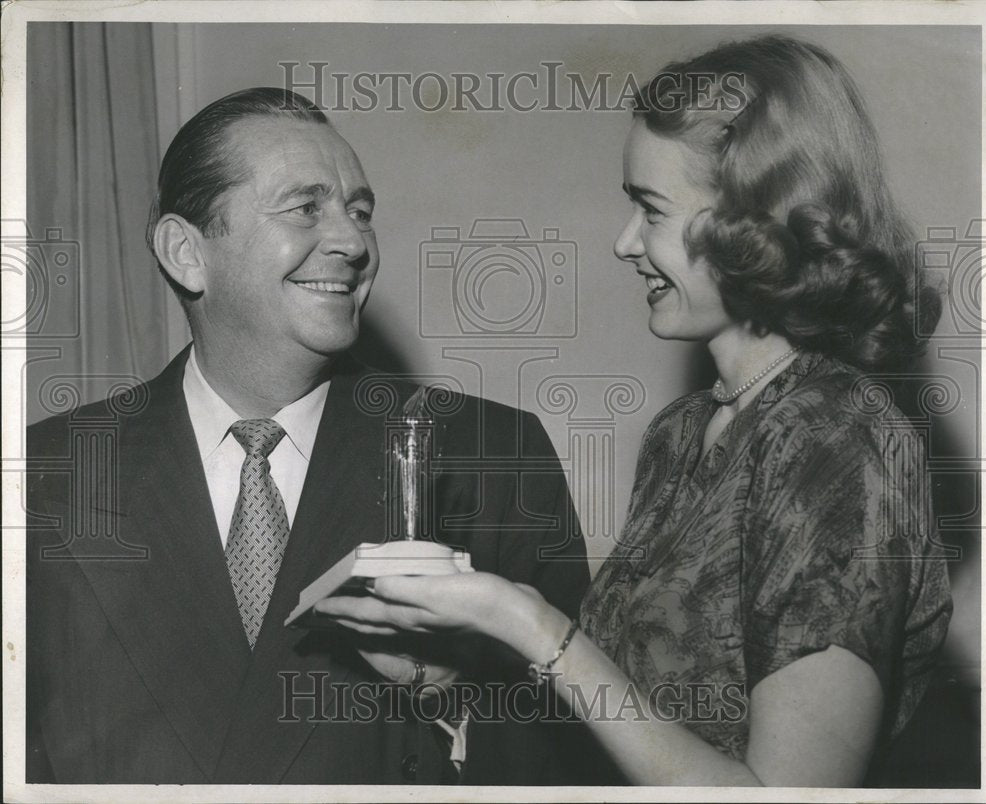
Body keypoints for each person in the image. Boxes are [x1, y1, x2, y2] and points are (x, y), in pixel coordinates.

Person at [316, 35, 954, 787]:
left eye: (650, 210)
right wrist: (442, 680)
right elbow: (632, 726)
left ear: (751, 226)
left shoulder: (840, 437)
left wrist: (529, 621)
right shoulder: (683, 433)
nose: (624, 244)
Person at [25, 87, 591, 784]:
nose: (354, 243)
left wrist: (450, 695)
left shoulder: (492, 458)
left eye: (360, 211)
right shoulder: (49, 476)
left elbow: (572, 761)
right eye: (305, 207)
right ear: (186, 251)